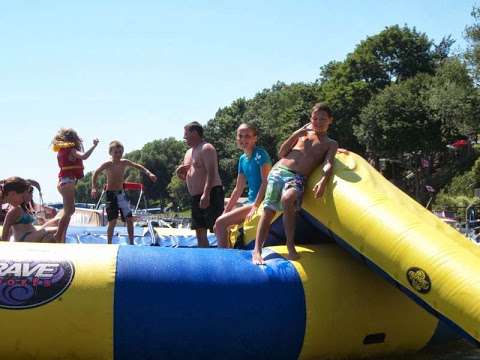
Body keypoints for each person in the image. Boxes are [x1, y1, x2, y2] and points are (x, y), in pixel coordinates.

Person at [252, 103, 338, 265]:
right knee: (269, 209)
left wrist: (323, 180)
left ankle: (290, 243)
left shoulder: (330, 143)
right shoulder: (302, 135)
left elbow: (329, 163)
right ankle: (257, 249)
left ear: (330, 120)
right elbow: (281, 153)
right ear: (310, 119)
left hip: (298, 177)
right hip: (279, 172)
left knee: (288, 198)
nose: (318, 122)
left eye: (323, 119)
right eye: (315, 118)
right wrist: (295, 134)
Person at [214, 123, 272, 247]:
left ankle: (223, 260)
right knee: (218, 225)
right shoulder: (242, 159)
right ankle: (229, 254)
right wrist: (226, 211)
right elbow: (238, 188)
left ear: (255, 138)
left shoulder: (260, 154)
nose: (243, 139)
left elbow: (265, 181)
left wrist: (255, 206)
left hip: (261, 201)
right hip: (250, 201)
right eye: (240, 136)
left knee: (220, 224)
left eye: (247, 136)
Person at [91, 140, 157, 245]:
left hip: (121, 194)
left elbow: (138, 166)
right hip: (110, 195)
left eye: (120, 152)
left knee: (129, 219)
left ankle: (131, 243)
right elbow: (95, 173)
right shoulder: (108, 164)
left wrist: (149, 173)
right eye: (116, 152)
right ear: (110, 153)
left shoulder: (124, 162)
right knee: (112, 221)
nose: (118, 154)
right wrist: (94, 187)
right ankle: (109, 243)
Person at [176, 121, 224, 247]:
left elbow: (211, 173)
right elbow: (187, 175)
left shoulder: (206, 148)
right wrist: (180, 173)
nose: (184, 137)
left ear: (195, 133)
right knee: (199, 230)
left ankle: (225, 257)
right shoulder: (188, 153)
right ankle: (206, 259)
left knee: (218, 227)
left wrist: (206, 194)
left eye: (186, 134)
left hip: (211, 193)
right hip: (195, 196)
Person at [52, 128, 99, 242]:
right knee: (69, 211)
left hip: (63, 182)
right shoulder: (71, 150)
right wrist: (94, 146)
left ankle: (62, 235)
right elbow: (84, 156)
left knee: (69, 211)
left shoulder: (61, 150)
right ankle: (58, 235)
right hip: (67, 182)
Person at [1, 177, 57, 242]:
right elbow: (5, 234)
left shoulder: (21, 208)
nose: (23, 199)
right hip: (23, 238)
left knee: (49, 238)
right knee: (55, 230)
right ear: (13, 194)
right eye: (22, 197)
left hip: (31, 236)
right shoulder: (13, 211)